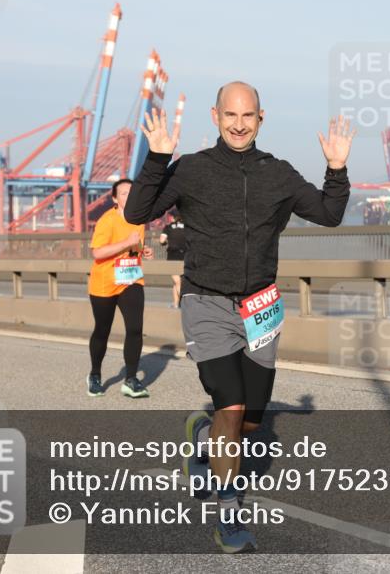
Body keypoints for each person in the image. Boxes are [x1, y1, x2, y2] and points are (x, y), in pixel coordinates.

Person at [125, 81, 354, 553]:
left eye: (247, 116)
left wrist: (336, 168)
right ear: (215, 116)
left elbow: (329, 215)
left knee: (248, 423)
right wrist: (157, 159)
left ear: (260, 118)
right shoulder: (191, 169)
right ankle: (228, 514)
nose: (238, 124)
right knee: (231, 407)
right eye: (230, 115)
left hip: (261, 307)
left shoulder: (279, 174)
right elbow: (136, 211)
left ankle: (202, 433)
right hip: (206, 301)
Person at [86, 178, 155, 398]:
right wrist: (127, 244)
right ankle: (95, 375)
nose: (129, 196)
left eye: (132, 192)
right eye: (124, 193)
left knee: (135, 329)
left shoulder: (139, 219)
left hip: (131, 279)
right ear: (115, 198)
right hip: (105, 282)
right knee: (102, 331)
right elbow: (97, 253)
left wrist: (143, 250)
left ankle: (131, 380)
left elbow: (135, 245)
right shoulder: (107, 220)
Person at [159, 211, 187, 309]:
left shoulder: (168, 227)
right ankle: (175, 303)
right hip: (185, 255)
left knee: (177, 281)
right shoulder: (187, 227)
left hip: (173, 256)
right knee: (178, 282)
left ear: (173, 217)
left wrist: (166, 242)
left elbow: (162, 241)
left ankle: (183, 304)